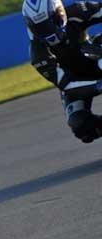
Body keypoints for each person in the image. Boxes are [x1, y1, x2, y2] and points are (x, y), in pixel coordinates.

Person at [23, 0, 102, 143]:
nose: (48, 30)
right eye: (40, 27)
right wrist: (98, 85)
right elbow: (66, 85)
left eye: (51, 22)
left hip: (95, 56)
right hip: (77, 81)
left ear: (60, 11)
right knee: (81, 126)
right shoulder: (39, 55)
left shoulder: (77, 11)